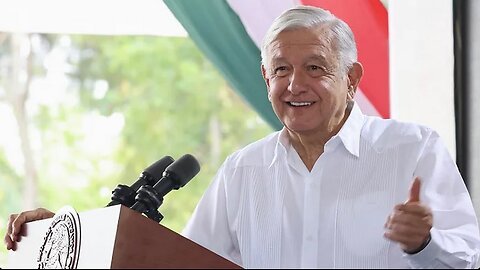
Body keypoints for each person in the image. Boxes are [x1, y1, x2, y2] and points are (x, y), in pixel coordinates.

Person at [4, 5, 480, 269]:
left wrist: (425, 243)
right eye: (280, 70)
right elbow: (181, 263)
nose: (295, 85)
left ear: (351, 78)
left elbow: (468, 259)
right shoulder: (244, 169)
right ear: (264, 78)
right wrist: (69, 237)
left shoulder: (412, 149)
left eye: (315, 68)